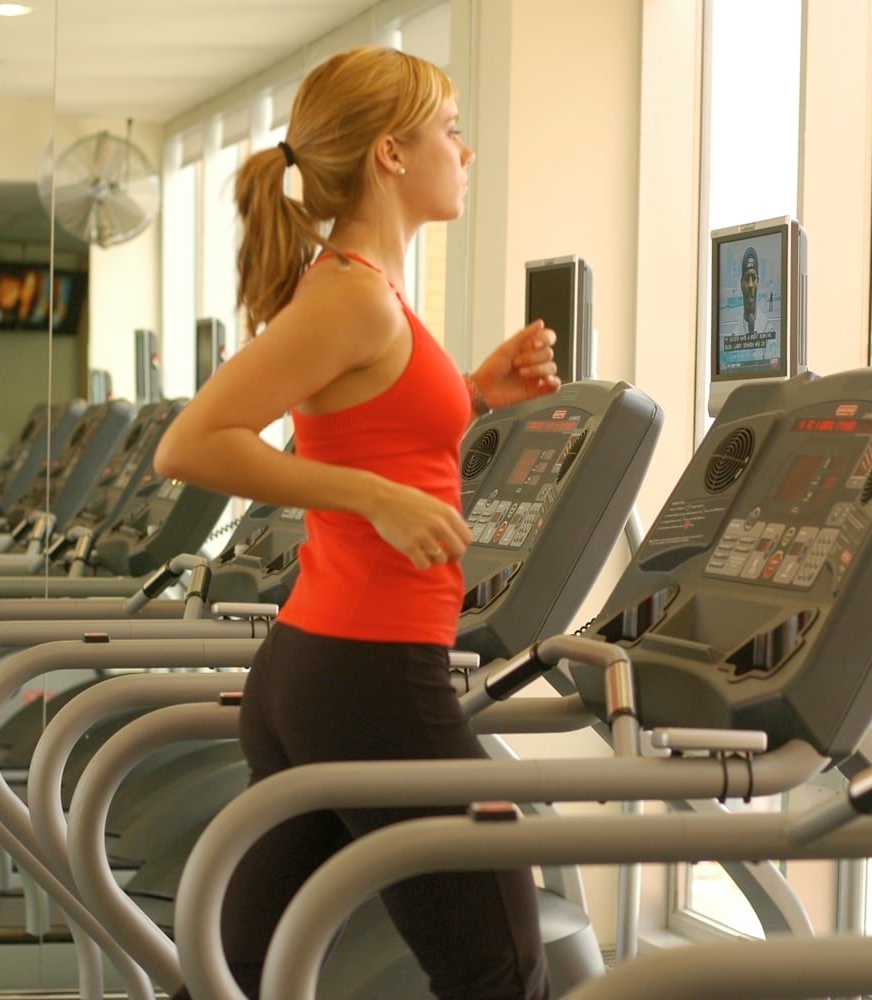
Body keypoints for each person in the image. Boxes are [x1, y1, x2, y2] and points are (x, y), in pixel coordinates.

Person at [153, 44, 560, 1000]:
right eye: (451, 132)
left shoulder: (364, 290)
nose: (465, 153)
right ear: (391, 153)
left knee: (231, 976)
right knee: (502, 971)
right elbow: (193, 444)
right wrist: (373, 498)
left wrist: (470, 392)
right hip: (372, 679)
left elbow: (360, 425)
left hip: (324, 671)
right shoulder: (350, 296)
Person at [739, 246, 777, 336]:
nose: (751, 285)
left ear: (758, 282)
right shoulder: (736, 332)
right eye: (747, 279)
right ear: (741, 284)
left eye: (754, 278)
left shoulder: (767, 328)